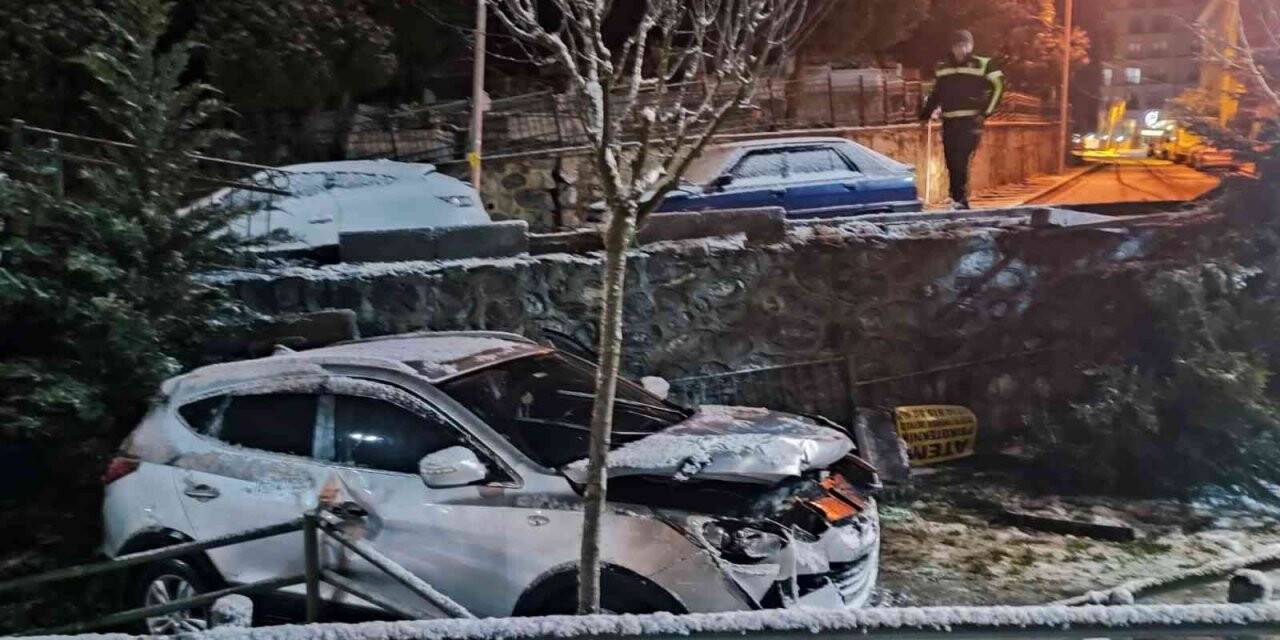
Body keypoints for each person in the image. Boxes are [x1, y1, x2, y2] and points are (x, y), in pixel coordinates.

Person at [919, 30, 1006, 210]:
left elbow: (998, 86)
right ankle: (957, 200)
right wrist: (926, 113)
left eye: (965, 45)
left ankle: (959, 199)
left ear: (971, 46)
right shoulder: (943, 67)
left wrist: (985, 112)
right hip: (950, 122)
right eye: (958, 45)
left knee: (961, 159)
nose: (961, 49)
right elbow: (937, 92)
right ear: (952, 47)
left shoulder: (983, 64)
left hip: (970, 121)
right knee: (951, 161)